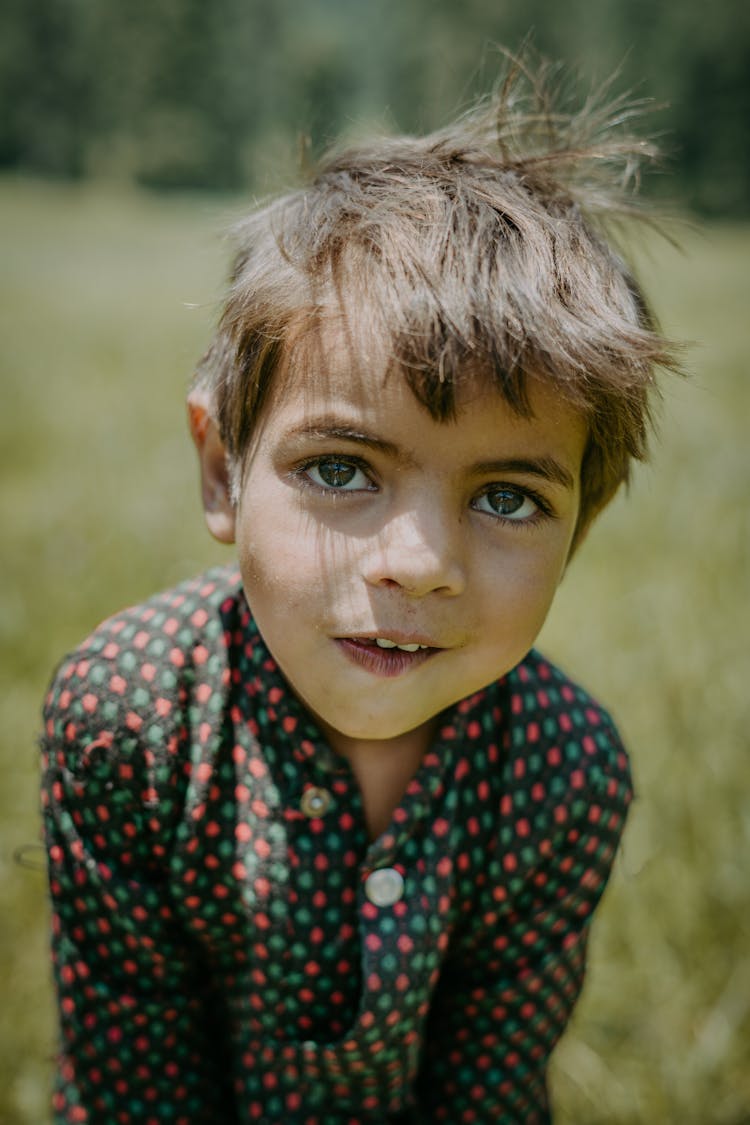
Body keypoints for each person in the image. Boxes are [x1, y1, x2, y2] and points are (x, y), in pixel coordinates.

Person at [41, 51, 678, 1124]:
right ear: (222, 471)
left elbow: (489, 1087)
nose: (419, 560)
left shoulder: (567, 774)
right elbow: (131, 1077)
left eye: (510, 498)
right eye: (340, 470)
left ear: (585, 522)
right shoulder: (128, 721)